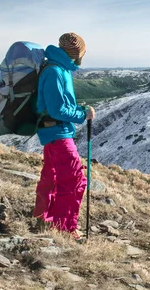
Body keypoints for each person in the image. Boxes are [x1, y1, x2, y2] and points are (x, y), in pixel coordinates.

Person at [32, 32, 95, 238]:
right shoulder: (56, 72)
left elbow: (61, 104)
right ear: (76, 54)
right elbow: (57, 109)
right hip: (57, 131)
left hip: (54, 131)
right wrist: (82, 114)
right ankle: (65, 228)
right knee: (75, 179)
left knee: (52, 176)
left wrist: (79, 108)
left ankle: (43, 217)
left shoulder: (59, 69)